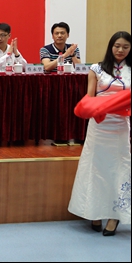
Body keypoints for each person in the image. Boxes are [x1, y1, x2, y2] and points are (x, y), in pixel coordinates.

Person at [68, 30, 131, 236]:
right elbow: (90, 97)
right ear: (110, 47)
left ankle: (115, 215)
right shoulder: (96, 69)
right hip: (99, 124)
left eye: (125, 47)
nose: (120, 50)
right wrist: (93, 110)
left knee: (118, 168)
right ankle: (94, 210)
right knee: (95, 167)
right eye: (117, 46)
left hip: (120, 125)